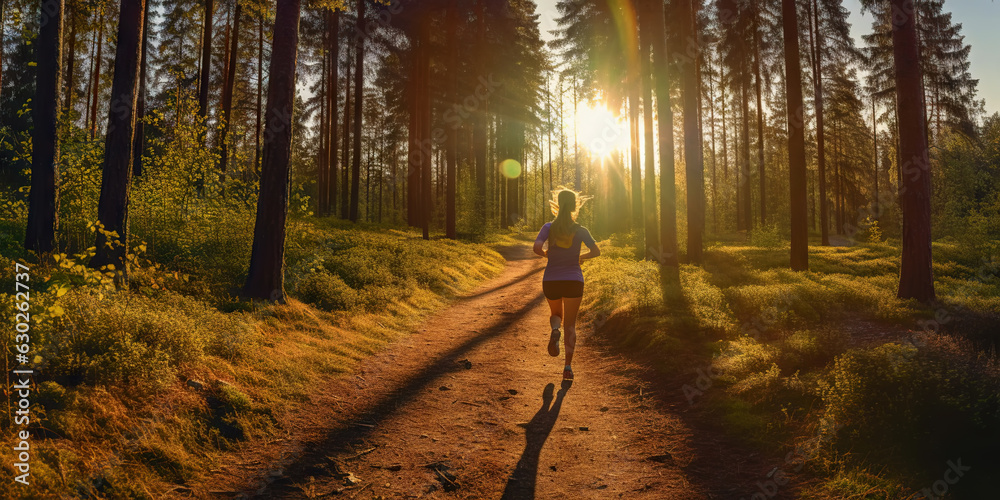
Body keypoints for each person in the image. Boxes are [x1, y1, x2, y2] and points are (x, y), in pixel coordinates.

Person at [533, 188, 600, 380]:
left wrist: (546, 254)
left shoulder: (548, 227)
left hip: (551, 279)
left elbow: (536, 247)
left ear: (558, 204)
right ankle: (568, 368)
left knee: (556, 315)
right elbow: (597, 251)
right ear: (574, 206)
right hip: (574, 280)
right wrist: (581, 257)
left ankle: (555, 330)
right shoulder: (581, 230)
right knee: (570, 325)